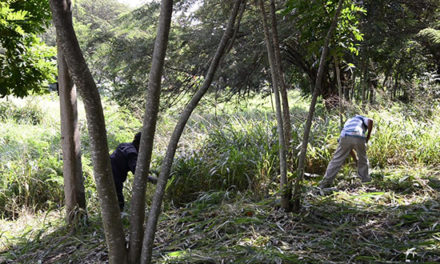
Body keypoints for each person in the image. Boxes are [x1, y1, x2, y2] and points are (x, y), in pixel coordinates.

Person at [319, 115, 373, 189]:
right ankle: (365, 181)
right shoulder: (361, 118)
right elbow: (370, 121)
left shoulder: (348, 122)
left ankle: (325, 183)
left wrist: (355, 159)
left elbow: (348, 148)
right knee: (363, 159)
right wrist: (368, 136)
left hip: (344, 136)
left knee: (336, 160)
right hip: (358, 136)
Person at [110, 132, 157, 210]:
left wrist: (154, 172)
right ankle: (118, 220)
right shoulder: (132, 153)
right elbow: (137, 172)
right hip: (114, 177)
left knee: (113, 200)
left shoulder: (124, 145)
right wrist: (154, 180)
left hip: (108, 173)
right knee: (119, 202)